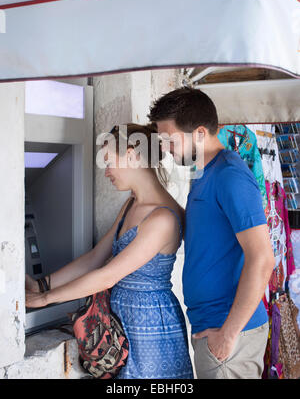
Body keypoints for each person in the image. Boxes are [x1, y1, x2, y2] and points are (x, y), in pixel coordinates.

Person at [25, 122, 194, 380]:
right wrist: (41, 286)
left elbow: (107, 275)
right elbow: (95, 258)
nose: (106, 172)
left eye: (109, 160)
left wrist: (46, 300)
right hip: (122, 323)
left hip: (150, 328)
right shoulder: (131, 204)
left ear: (131, 155)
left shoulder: (163, 218)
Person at [148, 86, 275, 380]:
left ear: (200, 133)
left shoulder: (230, 175)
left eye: (170, 140)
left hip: (229, 335)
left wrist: (228, 335)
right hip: (214, 328)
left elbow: (262, 258)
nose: (166, 148)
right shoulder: (203, 172)